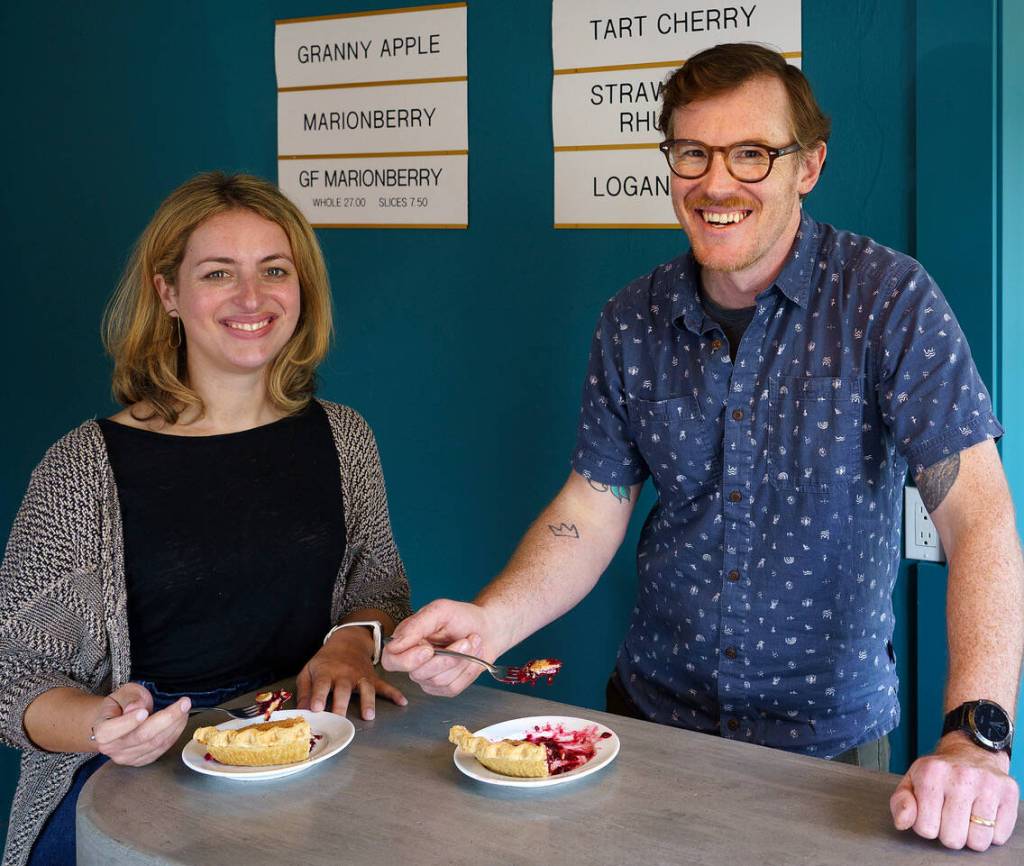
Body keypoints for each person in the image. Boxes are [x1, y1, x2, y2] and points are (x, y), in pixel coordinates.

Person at [384, 43, 1024, 852]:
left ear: (809, 165)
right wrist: (489, 620)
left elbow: (981, 518)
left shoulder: (889, 302)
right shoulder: (630, 320)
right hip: (652, 729)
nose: (717, 184)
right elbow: (592, 505)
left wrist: (975, 734)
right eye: (693, 153)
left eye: (752, 153)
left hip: (829, 749)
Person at [0, 172, 410, 866]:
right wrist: (102, 726)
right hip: (135, 775)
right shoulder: (82, 467)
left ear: (301, 287)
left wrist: (349, 643)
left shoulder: (344, 436)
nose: (252, 298)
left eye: (273, 270)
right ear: (168, 293)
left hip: (306, 750)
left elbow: (380, 584)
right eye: (219, 273)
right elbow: (12, 673)